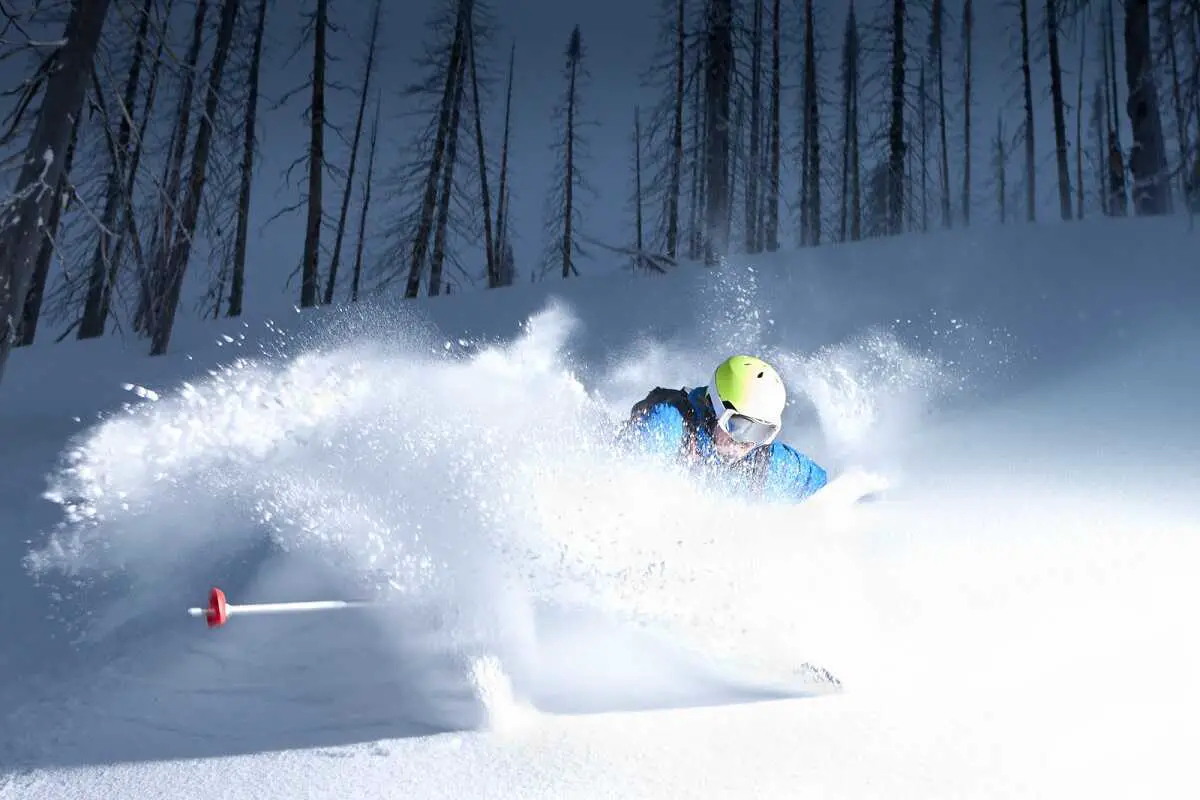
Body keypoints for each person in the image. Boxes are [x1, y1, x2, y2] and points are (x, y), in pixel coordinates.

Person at [619, 355, 828, 503]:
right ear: (714, 408)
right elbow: (627, 491)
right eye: (739, 425)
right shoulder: (668, 426)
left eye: (760, 432)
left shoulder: (769, 463)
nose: (745, 442)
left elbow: (829, 495)